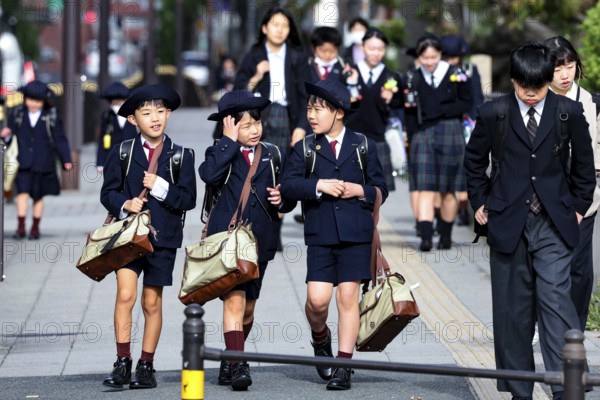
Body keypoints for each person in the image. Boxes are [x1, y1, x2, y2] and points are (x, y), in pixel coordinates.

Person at [464, 40, 596, 400]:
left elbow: (585, 170)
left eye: (539, 87)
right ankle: (518, 391)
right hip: (507, 223)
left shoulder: (568, 112)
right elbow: (474, 162)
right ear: (513, 81)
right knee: (512, 312)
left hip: (555, 223)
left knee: (557, 303)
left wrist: (580, 207)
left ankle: (566, 387)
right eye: (525, 88)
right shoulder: (494, 113)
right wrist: (478, 202)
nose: (533, 94)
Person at [280, 79, 388, 391]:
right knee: (317, 300)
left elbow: (381, 188)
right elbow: (288, 185)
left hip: (357, 234)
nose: (311, 116)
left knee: (347, 298)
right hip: (321, 233)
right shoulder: (304, 147)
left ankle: (344, 365)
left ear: (338, 113)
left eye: (318, 109)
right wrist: (318, 186)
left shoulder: (363, 145)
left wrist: (361, 190)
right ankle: (320, 338)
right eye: (309, 109)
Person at [100, 84, 197, 390]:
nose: (154, 118)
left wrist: (160, 186)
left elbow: (188, 199)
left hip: (163, 238)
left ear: (168, 114)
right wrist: (124, 203)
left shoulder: (181, 155)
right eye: (146, 113)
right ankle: (122, 361)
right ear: (133, 120)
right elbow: (108, 193)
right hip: (129, 236)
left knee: (151, 302)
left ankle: (146, 364)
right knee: (125, 295)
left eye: (160, 111)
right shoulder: (122, 151)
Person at [200, 90, 296, 391]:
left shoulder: (272, 154)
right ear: (229, 126)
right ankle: (240, 363)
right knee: (235, 300)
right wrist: (228, 141)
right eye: (244, 125)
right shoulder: (219, 151)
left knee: (249, 307)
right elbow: (208, 175)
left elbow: (286, 198)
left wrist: (283, 200)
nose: (254, 129)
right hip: (228, 241)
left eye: (256, 122)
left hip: (260, 241)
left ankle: (230, 358)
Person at [544, 36, 600, 331]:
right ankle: (547, 323)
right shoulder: (536, 100)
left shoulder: (591, 102)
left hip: (583, 197)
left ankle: (574, 329)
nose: (565, 74)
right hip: (543, 196)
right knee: (547, 263)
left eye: (570, 66)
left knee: (579, 267)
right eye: (557, 68)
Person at [404, 34, 473, 251]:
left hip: (451, 131)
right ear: (418, 57)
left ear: (440, 54)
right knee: (424, 187)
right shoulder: (412, 77)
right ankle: (425, 238)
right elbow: (408, 111)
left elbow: (467, 101)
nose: (429, 62)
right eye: (424, 57)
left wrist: (441, 111)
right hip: (422, 134)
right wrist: (411, 136)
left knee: (448, 189)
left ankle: (445, 235)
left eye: (433, 57)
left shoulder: (457, 74)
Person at [0, 80, 72, 240]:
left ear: (43, 101)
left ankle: (35, 227)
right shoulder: (18, 114)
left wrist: (66, 159)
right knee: (22, 194)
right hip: (23, 162)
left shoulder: (50, 115)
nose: (34, 103)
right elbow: (11, 135)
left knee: (38, 196)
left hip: (44, 162)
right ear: (25, 99)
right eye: (31, 99)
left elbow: (59, 138)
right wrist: (7, 135)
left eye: (38, 101)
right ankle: (20, 227)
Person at [234, 6, 311, 151]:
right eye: (275, 25)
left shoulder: (297, 57)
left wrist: (301, 127)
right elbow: (238, 92)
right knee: (259, 167)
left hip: (287, 117)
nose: (280, 30)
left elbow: (306, 97)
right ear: (264, 28)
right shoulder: (253, 56)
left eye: (285, 26)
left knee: (284, 167)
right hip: (257, 117)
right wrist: (257, 76)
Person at [346, 28, 403, 193]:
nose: (375, 53)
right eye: (371, 48)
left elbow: (399, 107)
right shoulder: (350, 73)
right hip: (351, 139)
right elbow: (344, 106)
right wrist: (352, 86)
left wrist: (390, 100)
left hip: (378, 140)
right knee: (349, 190)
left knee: (376, 194)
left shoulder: (392, 77)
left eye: (380, 49)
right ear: (362, 48)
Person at [440, 34, 485, 227]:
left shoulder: (469, 70)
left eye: (454, 57)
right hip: (444, 126)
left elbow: (477, 97)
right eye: (447, 57)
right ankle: (443, 212)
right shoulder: (437, 71)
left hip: (467, 125)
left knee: (465, 169)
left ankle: (464, 209)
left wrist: (476, 122)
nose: (451, 61)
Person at [96, 81, 137, 172]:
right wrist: (100, 162)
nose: (116, 104)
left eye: (119, 101)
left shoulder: (134, 115)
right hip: (111, 157)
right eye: (113, 101)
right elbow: (102, 140)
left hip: (131, 157)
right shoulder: (107, 116)